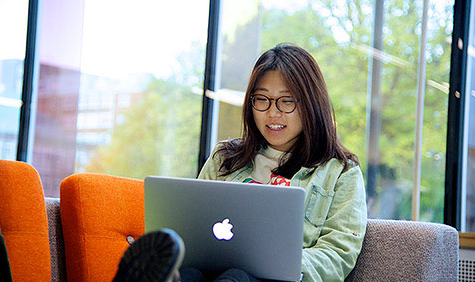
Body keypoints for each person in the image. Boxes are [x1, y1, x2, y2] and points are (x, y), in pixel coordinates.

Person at [113, 43, 367, 282]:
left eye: (287, 100)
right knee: (191, 274)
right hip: (209, 270)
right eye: (262, 99)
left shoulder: (340, 171)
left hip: (279, 278)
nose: (272, 112)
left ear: (311, 103)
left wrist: (284, 263)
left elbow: (339, 252)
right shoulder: (224, 158)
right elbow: (195, 224)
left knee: (238, 276)